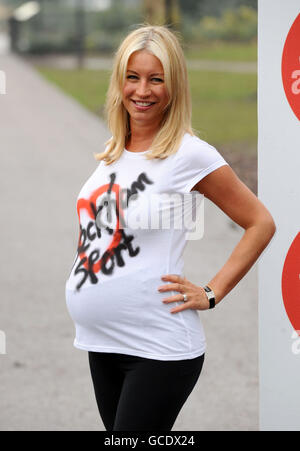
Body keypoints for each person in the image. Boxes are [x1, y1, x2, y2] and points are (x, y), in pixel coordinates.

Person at [65, 24, 276, 431]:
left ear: (173, 86)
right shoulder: (113, 152)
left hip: (157, 346)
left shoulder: (190, 154)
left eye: (156, 79)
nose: (142, 90)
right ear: (120, 81)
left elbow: (260, 222)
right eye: (133, 77)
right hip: (102, 342)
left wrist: (212, 292)